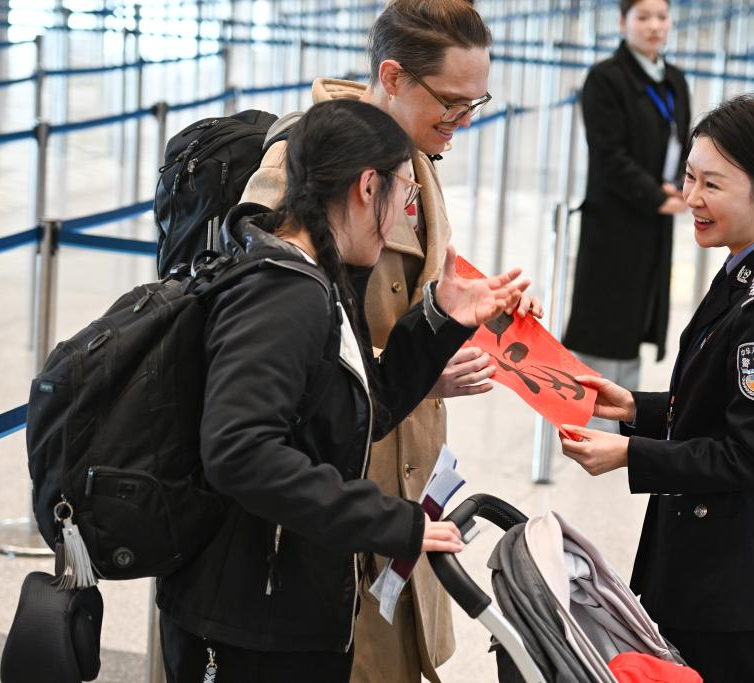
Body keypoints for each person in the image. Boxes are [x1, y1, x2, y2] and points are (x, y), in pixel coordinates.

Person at [156, 99, 532, 682]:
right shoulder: (283, 293)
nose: (406, 212)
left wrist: (440, 319)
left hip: (285, 599)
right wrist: (387, 521)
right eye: (405, 195)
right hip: (247, 623)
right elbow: (239, 452)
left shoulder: (321, 276)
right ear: (365, 187)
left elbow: (354, 414)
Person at [239, 2, 541, 679]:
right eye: (452, 104)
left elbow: (413, 281)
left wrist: (478, 304)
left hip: (406, 450)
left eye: (476, 103)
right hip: (340, 472)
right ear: (394, 76)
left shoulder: (412, 151)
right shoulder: (307, 157)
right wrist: (409, 370)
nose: (463, 122)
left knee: (399, 651)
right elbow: (269, 323)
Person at [560, 94, 754, 683]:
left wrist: (630, 453)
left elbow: (747, 455)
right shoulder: (745, 270)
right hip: (705, 564)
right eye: (689, 178)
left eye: (713, 184)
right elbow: (720, 404)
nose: (693, 199)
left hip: (730, 585)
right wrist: (636, 408)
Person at [563, 0, 692, 406]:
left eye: (661, 17)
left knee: (638, 315)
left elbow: (681, 143)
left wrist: (681, 188)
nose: (654, 26)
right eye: (643, 17)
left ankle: (623, 411)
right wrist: (656, 196)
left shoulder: (674, 79)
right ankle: (584, 410)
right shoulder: (605, 78)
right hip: (615, 219)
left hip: (656, 217)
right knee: (604, 320)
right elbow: (608, 154)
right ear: (623, 23)